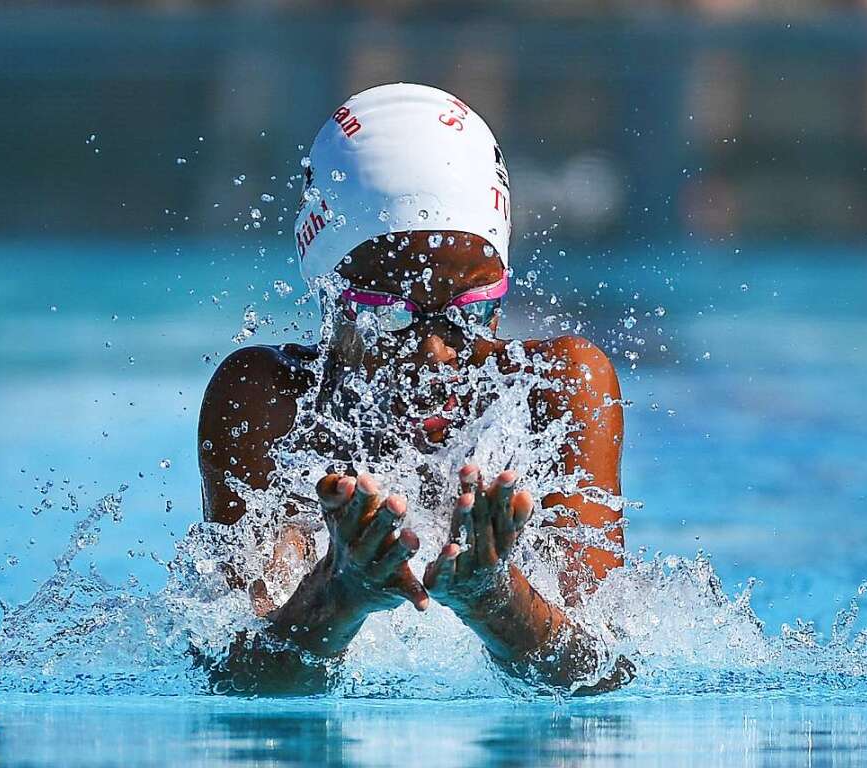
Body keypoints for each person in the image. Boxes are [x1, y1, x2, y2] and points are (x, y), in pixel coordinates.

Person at [199, 83, 630, 692]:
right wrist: (338, 594)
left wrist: (498, 601)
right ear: (331, 295)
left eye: (466, 311)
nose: (433, 353)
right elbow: (240, 678)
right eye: (391, 314)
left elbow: (601, 675)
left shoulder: (557, 389)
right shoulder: (269, 403)